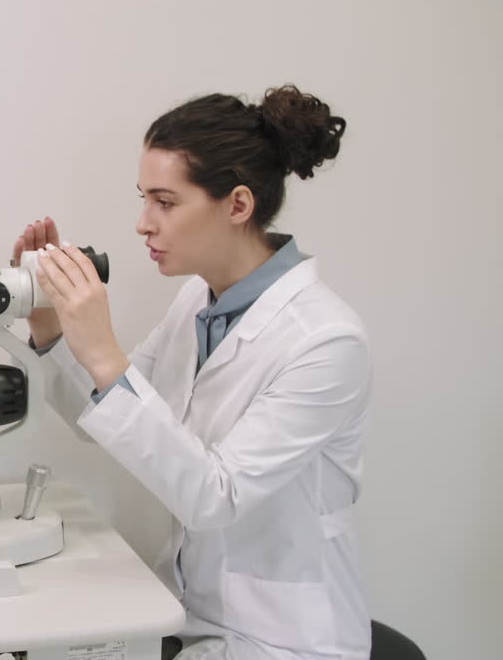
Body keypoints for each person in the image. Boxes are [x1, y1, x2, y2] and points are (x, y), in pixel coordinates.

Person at [18, 86, 371, 660]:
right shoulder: (197, 301)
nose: (142, 224)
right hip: (191, 616)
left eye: (165, 201)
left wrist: (105, 352)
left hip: (285, 639)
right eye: (144, 199)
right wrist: (50, 328)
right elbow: (107, 416)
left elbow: (215, 496)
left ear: (237, 205)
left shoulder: (327, 341)